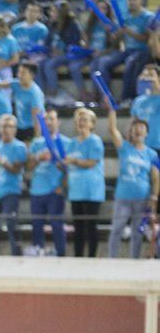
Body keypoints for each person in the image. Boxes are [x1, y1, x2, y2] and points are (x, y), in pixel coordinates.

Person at [107, 105, 159, 258]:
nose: (138, 130)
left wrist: (154, 197)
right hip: (123, 197)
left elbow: (156, 177)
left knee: (137, 232)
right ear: (131, 131)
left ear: (147, 133)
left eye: (142, 128)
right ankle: (112, 260)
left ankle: (134, 262)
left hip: (142, 199)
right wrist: (111, 110)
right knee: (117, 229)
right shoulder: (124, 147)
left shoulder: (152, 154)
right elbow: (112, 129)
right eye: (135, 128)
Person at [0, 114, 28, 256]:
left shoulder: (20, 147)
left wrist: (2, 161)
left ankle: (16, 256)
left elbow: (16, 170)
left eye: (9, 126)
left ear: (15, 129)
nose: (6, 129)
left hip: (10, 191)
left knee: (12, 225)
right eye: (3, 126)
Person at [65, 108, 105, 258]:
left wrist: (74, 161)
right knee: (78, 228)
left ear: (92, 124)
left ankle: (92, 258)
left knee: (90, 227)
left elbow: (91, 162)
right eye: (79, 120)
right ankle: (78, 257)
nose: (81, 123)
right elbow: (68, 164)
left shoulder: (95, 141)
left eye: (85, 120)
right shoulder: (72, 143)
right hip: (76, 191)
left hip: (91, 192)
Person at [27, 108, 67, 257]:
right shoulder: (36, 143)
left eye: (52, 119)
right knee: (37, 225)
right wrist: (38, 158)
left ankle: (61, 255)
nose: (49, 122)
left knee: (57, 225)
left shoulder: (66, 142)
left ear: (58, 122)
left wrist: (62, 186)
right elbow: (28, 166)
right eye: (46, 119)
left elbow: (69, 170)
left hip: (54, 191)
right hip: (37, 190)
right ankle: (39, 253)